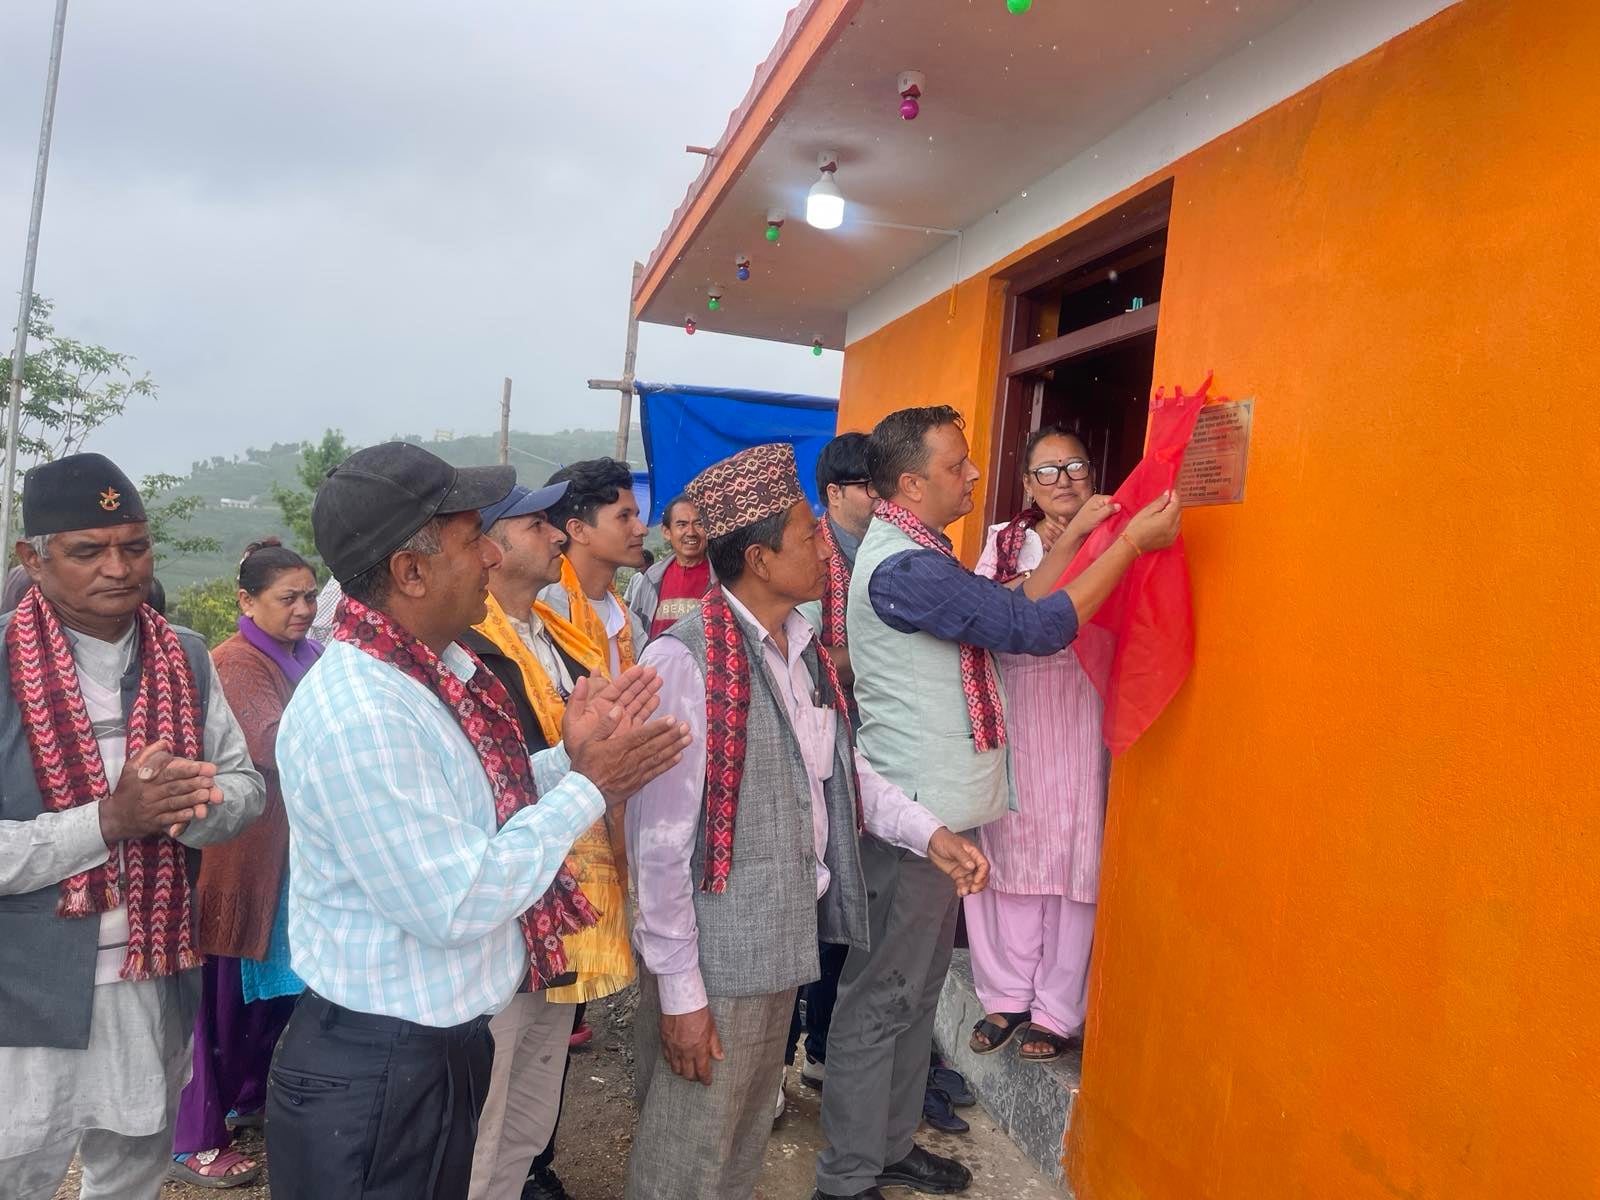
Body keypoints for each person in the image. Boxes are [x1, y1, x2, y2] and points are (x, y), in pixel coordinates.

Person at [266, 442, 691, 1200]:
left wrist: (566, 758)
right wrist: (588, 789)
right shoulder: (364, 710)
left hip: (429, 1045)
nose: (493, 554)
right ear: (412, 572)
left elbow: (470, 806)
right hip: (384, 1064)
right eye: (474, 538)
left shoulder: (424, 673)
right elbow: (457, 900)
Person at [815, 407, 1182, 1200]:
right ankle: (846, 1178)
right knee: (882, 1002)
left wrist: (1081, 529)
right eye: (958, 465)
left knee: (911, 1001)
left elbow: (1014, 595)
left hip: (936, 816)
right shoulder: (905, 568)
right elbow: (1034, 625)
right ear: (911, 482)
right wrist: (1123, 544)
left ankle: (885, 1146)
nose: (974, 477)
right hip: (916, 822)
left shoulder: (921, 553)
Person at [625, 442, 990, 1200]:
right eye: (805, 531)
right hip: (715, 960)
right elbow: (658, 849)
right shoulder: (685, 663)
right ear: (760, 559)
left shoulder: (804, 652)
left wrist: (930, 831)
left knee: (740, 1139)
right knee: (689, 1154)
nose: (825, 543)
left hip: (777, 943)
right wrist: (681, 996)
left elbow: (838, 773)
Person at [0, 453, 266, 1200]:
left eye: (136, 545)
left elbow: (243, 786)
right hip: (21, 997)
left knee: (129, 1176)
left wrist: (194, 810)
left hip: (152, 981)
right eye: (89, 550)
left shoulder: (183, 656)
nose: (119, 568)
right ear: (35, 557)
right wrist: (110, 821)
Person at [966, 428, 1122, 1065]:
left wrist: (1091, 536)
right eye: (1047, 471)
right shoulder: (1005, 541)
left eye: (1075, 465)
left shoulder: (1119, 530)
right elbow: (987, 616)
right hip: (1021, 708)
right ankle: (1005, 993)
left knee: (1076, 859)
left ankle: (1057, 1007)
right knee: (1012, 846)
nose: (1064, 480)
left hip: (1087, 707)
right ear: (1028, 484)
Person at [169, 539, 321, 1186]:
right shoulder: (235, 663)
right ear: (245, 602)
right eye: (288, 598)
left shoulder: (307, 656)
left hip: (290, 859)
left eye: (311, 596)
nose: (305, 610)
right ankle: (194, 1140)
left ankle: (246, 1100)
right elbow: (274, 743)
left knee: (271, 999)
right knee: (220, 1005)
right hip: (242, 864)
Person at [459, 480, 592, 1200]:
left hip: (567, 894)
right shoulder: (467, 649)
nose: (558, 537)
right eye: (538, 524)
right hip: (506, 906)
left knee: (531, 1110)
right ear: (491, 544)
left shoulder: (557, 635)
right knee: (487, 1100)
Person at [538, 457, 650, 1054]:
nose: (640, 527)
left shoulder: (622, 613)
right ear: (578, 529)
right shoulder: (546, 607)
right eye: (624, 515)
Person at [785, 432, 875, 1094]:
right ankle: (791, 1052)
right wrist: (885, 655)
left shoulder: (889, 551)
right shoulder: (812, 556)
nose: (883, 495)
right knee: (807, 903)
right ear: (837, 494)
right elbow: (810, 658)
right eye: (870, 485)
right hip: (814, 747)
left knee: (849, 906)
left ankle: (823, 1048)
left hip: (873, 750)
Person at [625, 495, 716, 641]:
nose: (691, 532)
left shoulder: (722, 577)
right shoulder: (652, 578)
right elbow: (635, 629)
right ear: (667, 532)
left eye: (698, 524)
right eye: (681, 524)